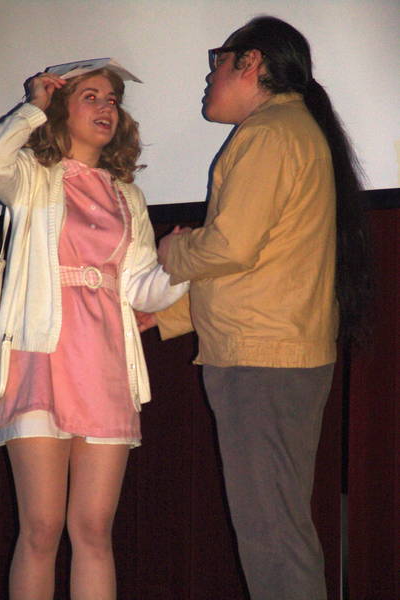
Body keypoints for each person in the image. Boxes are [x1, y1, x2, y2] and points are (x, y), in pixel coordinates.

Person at [137, 16, 370, 600]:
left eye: (218, 60)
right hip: (272, 355)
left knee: (273, 537)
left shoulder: (269, 133)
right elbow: (265, 265)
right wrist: (168, 317)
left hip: (262, 363)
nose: (208, 75)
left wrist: (171, 250)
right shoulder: (287, 130)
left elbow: (229, 248)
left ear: (252, 63)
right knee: (276, 530)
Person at [0, 62, 188, 600]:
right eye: (90, 96)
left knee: (93, 529)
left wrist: (183, 264)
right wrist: (33, 105)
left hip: (104, 365)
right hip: (41, 359)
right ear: (61, 109)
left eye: (112, 99)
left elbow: (141, 289)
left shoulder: (127, 196)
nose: (105, 107)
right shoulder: (32, 176)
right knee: (41, 527)